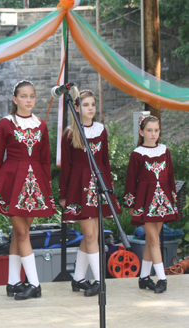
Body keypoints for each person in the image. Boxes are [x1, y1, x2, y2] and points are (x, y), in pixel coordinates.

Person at [0, 80, 56, 300]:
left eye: (32, 96)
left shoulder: (41, 125)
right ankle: (35, 284)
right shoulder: (5, 124)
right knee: (23, 233)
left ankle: (12, 282)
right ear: (15, 99)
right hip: (12, 183)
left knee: (19, 235)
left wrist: (46, 187)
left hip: (35, 185)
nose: (29, 100)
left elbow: (45, 161)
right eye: (24, 96)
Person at [59, 90, 121, 297]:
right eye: (86, 105)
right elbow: (66, 167)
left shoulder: (101, 130)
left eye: (93, 104)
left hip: (98, 186)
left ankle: (78, 279)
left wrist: (108, 189)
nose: (91, 108)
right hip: (79, 188)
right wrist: (64, 195)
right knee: (91, 234)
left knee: (90, 236)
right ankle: (99, 280)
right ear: (76, 108)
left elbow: (104, 162)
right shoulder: (69, 133)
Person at [124, 115, 179, 294]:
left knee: (151, 240)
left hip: (162, 201)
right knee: (154, 239)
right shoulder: (137, 154)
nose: (153, 134)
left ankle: (144, 277)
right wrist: (131, 204)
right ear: (141, 132)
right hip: (144, 201)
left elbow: (169, 177)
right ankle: (162, 278)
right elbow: (131, 180)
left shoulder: (165, 151)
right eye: (149, 130)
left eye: (156, 130)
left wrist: (172, 199)